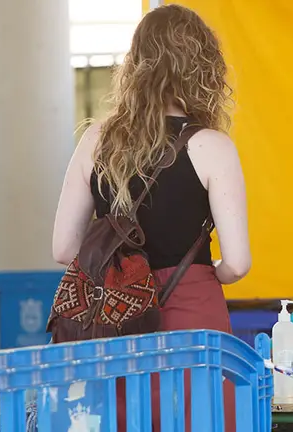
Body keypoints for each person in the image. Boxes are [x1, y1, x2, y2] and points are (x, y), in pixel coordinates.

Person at [51, 5, 249, 431]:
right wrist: (217, 272)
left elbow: (64, 249)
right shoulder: (211, 145)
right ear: (204, 68)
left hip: (113, 318)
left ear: (135, 64)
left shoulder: (95, 140)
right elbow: (238, 263)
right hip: (191, 313)